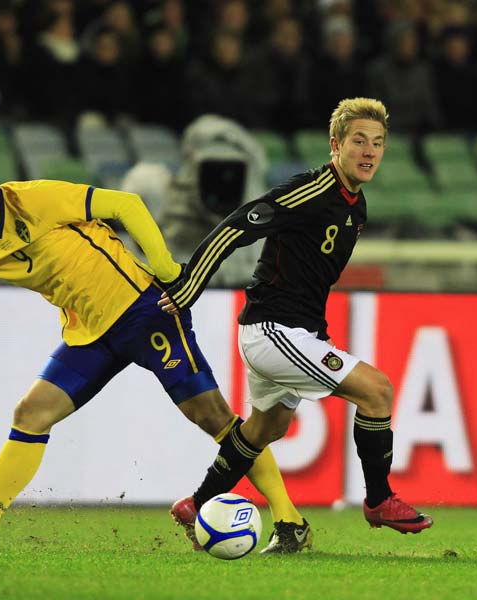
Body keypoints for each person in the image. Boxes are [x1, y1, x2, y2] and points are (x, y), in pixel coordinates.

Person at [0, 146, 312, 555]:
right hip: (90, 334)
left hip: (144, 311)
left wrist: (166, 269)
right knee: (31, 414)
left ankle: (290, 521)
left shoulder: (35, 199)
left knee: (214, 417)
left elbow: (127, 204)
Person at [159, 97, 434, 536]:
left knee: (266, 427)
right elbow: (236, 225)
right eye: (359, 141)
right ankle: (380, 500)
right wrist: (191, 283)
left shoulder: (355, 205)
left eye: (378, 143)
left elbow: (307, 275)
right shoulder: (311, 191)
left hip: (292, 330)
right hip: (273, 330)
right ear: (335, 145)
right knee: (377, 391)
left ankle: (198, 503)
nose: (369, 151)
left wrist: (316, 334)